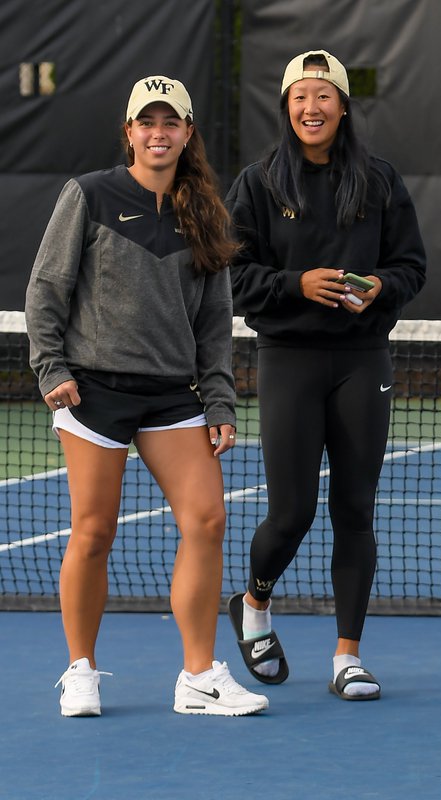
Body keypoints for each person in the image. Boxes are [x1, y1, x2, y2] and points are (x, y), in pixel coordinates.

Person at [26, 75, 268, 716]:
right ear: (130, 132)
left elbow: (214, 322)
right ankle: (81, 671)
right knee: (94, 531)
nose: (158, 133)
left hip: (172, 397)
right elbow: (47, 287)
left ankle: (198, 677)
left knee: (207, 520)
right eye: (147, 122)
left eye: (170, 122)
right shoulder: (89, 194)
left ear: (188, 133)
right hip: (93, 391)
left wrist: (219, 400)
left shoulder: (206, 214)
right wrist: (51, 369)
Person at [225, 49, 427, 701]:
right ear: (286, 108)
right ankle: (254, 602)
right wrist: (296, 284)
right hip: (288, 360)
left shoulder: (379, 180)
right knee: (291, 513)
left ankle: (348, 657)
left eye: (323, 96)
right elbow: (233, 276)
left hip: (363, 360)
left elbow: (411, 266)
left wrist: (381, 288)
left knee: (355, 509)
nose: (311, 108)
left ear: (342, 107)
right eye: (300, 97)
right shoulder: (258, 184)